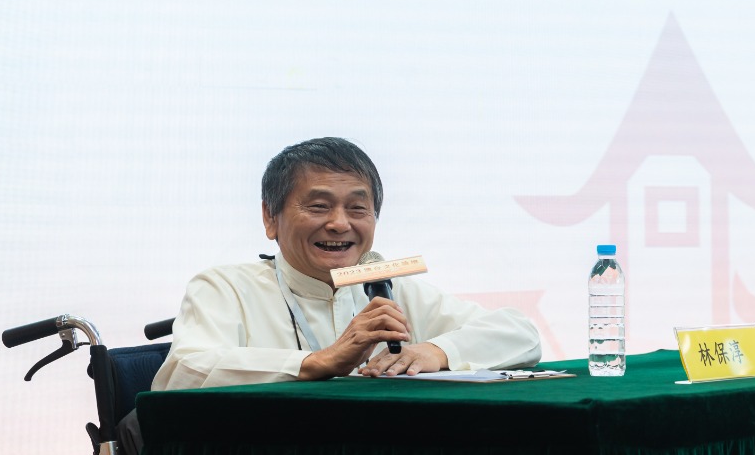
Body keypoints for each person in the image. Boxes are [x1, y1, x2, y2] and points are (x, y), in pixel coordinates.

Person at [151, 137, 542, 391]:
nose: (340, 224)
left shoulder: (389, 289)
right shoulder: (225, 287)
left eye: (357, 208)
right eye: (319, 206)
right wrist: (319, 362)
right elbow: (183, 372)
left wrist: (435, 351)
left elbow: (520, 334)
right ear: (270, 218)